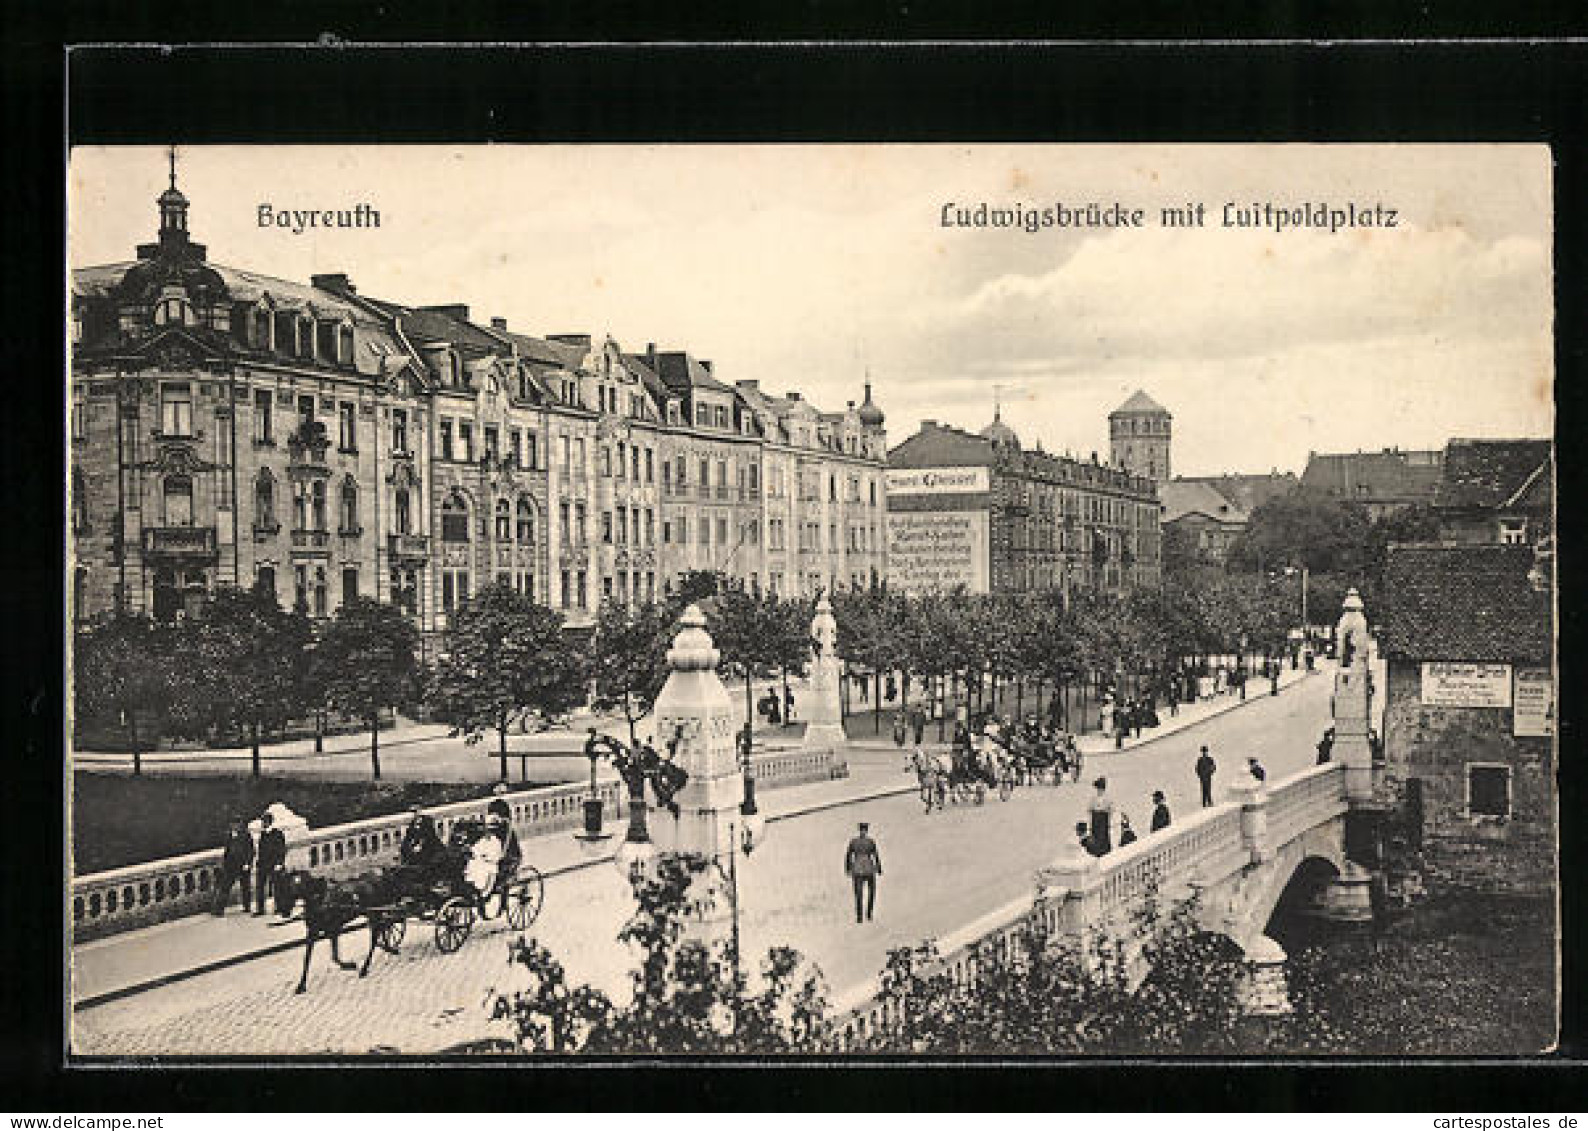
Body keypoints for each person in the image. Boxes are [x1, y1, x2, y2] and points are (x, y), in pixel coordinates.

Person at [213, 818, 254, 916]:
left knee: (245, 887)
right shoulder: (229, 835)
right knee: (225, 886)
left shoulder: (246, 835)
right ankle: (219, 909)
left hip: (243, 864)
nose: (234, 826)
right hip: (231, 865)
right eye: (233, 824)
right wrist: (224, 864)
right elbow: (227, 851)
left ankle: (247, 906)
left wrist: (248, 863)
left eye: (236, 824)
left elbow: (250, 850)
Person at [844, 822, 883, 924]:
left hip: (858, 869)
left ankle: (861, 916)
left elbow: (848, 855)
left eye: (864, 830)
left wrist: (848, 868)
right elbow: (875, 855)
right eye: (863, 830)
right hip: (868, 868)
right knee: (869, 892)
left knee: (859, 894)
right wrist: (878, 867)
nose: (863, 832)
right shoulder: (870, 842)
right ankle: (868, 914)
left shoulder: (854, 842)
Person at [254, 811, 287, 917]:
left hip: (274, 864)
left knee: (277, 887)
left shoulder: (277, 833)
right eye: (263, 821)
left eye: (265, 821)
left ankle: (280, 907)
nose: (263, 823)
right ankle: (260, 909)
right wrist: (258, 863)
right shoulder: (263, 835)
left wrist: (279, 863)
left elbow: (281, 849)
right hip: (263, 865)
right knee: (260, 887)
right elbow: (261, 850)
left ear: (269, 822)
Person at [1088, 777, 1114, 855]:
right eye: (1098, 788)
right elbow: (1090, 808)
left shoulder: (1107, 798)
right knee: (1095, 834)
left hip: (1103, 818)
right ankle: (1096, 850)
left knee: (1103, 834)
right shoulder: (1094, 798)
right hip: (1095, 818)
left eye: (1100, 788)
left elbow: (1111, 809)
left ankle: (1104, 850)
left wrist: (1105, 812)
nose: (1099, 790)